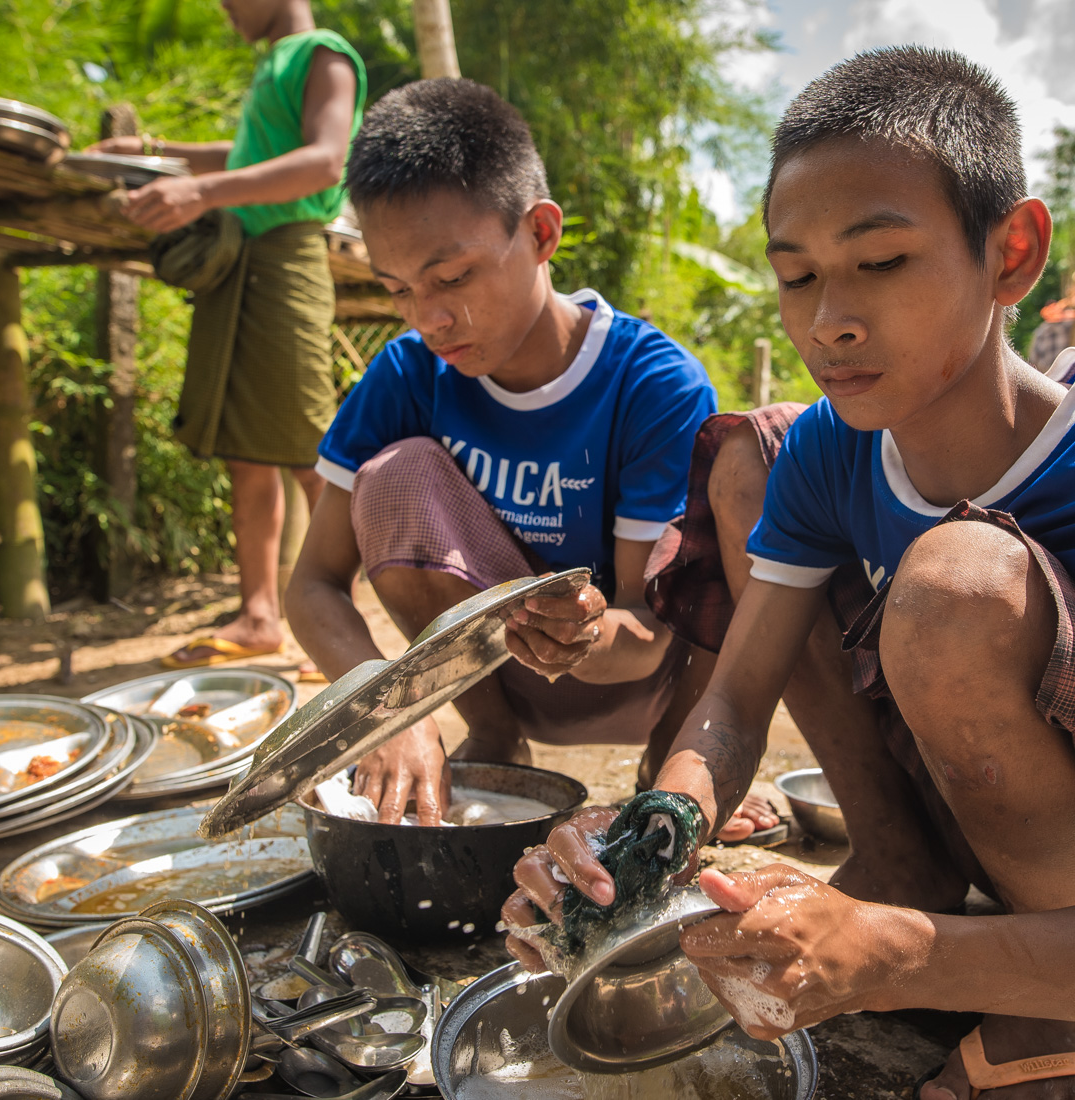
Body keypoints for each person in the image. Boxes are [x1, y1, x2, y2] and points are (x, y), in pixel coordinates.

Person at [504, 46, 1075, 1100]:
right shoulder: (837, 449)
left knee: (954, 588)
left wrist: (902, 954)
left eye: (880, 264)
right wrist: (651, 833)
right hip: (962, 803)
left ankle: (1053, 1018)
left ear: (1010, 252)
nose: (827, 316)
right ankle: (900, 864)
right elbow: (734, 702)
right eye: (796, 274)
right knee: (753, 454)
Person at [285, 79, 780, 837]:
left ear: (542, 234)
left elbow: (648, 638)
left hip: (638, 675)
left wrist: (584, 633)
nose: (431, 318)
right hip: (495, 673)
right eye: (398, 290)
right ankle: (494, 736)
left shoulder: (651, 383)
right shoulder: (408, 373)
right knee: (394, 477)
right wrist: (390, 710)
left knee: (749, 483)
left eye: (452, 279)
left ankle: (673, 759)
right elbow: (313, 585)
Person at [89, 0, 366, 669]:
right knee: (245, 449)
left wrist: (205, 193)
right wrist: (154, 152)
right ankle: (259, 615)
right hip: (242, 265)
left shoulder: (322, 53)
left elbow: (324, 161)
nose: (224, 10)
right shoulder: (272, 64)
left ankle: (340, 624)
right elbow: (250, 156)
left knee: (310, 451)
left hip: (286, 260)